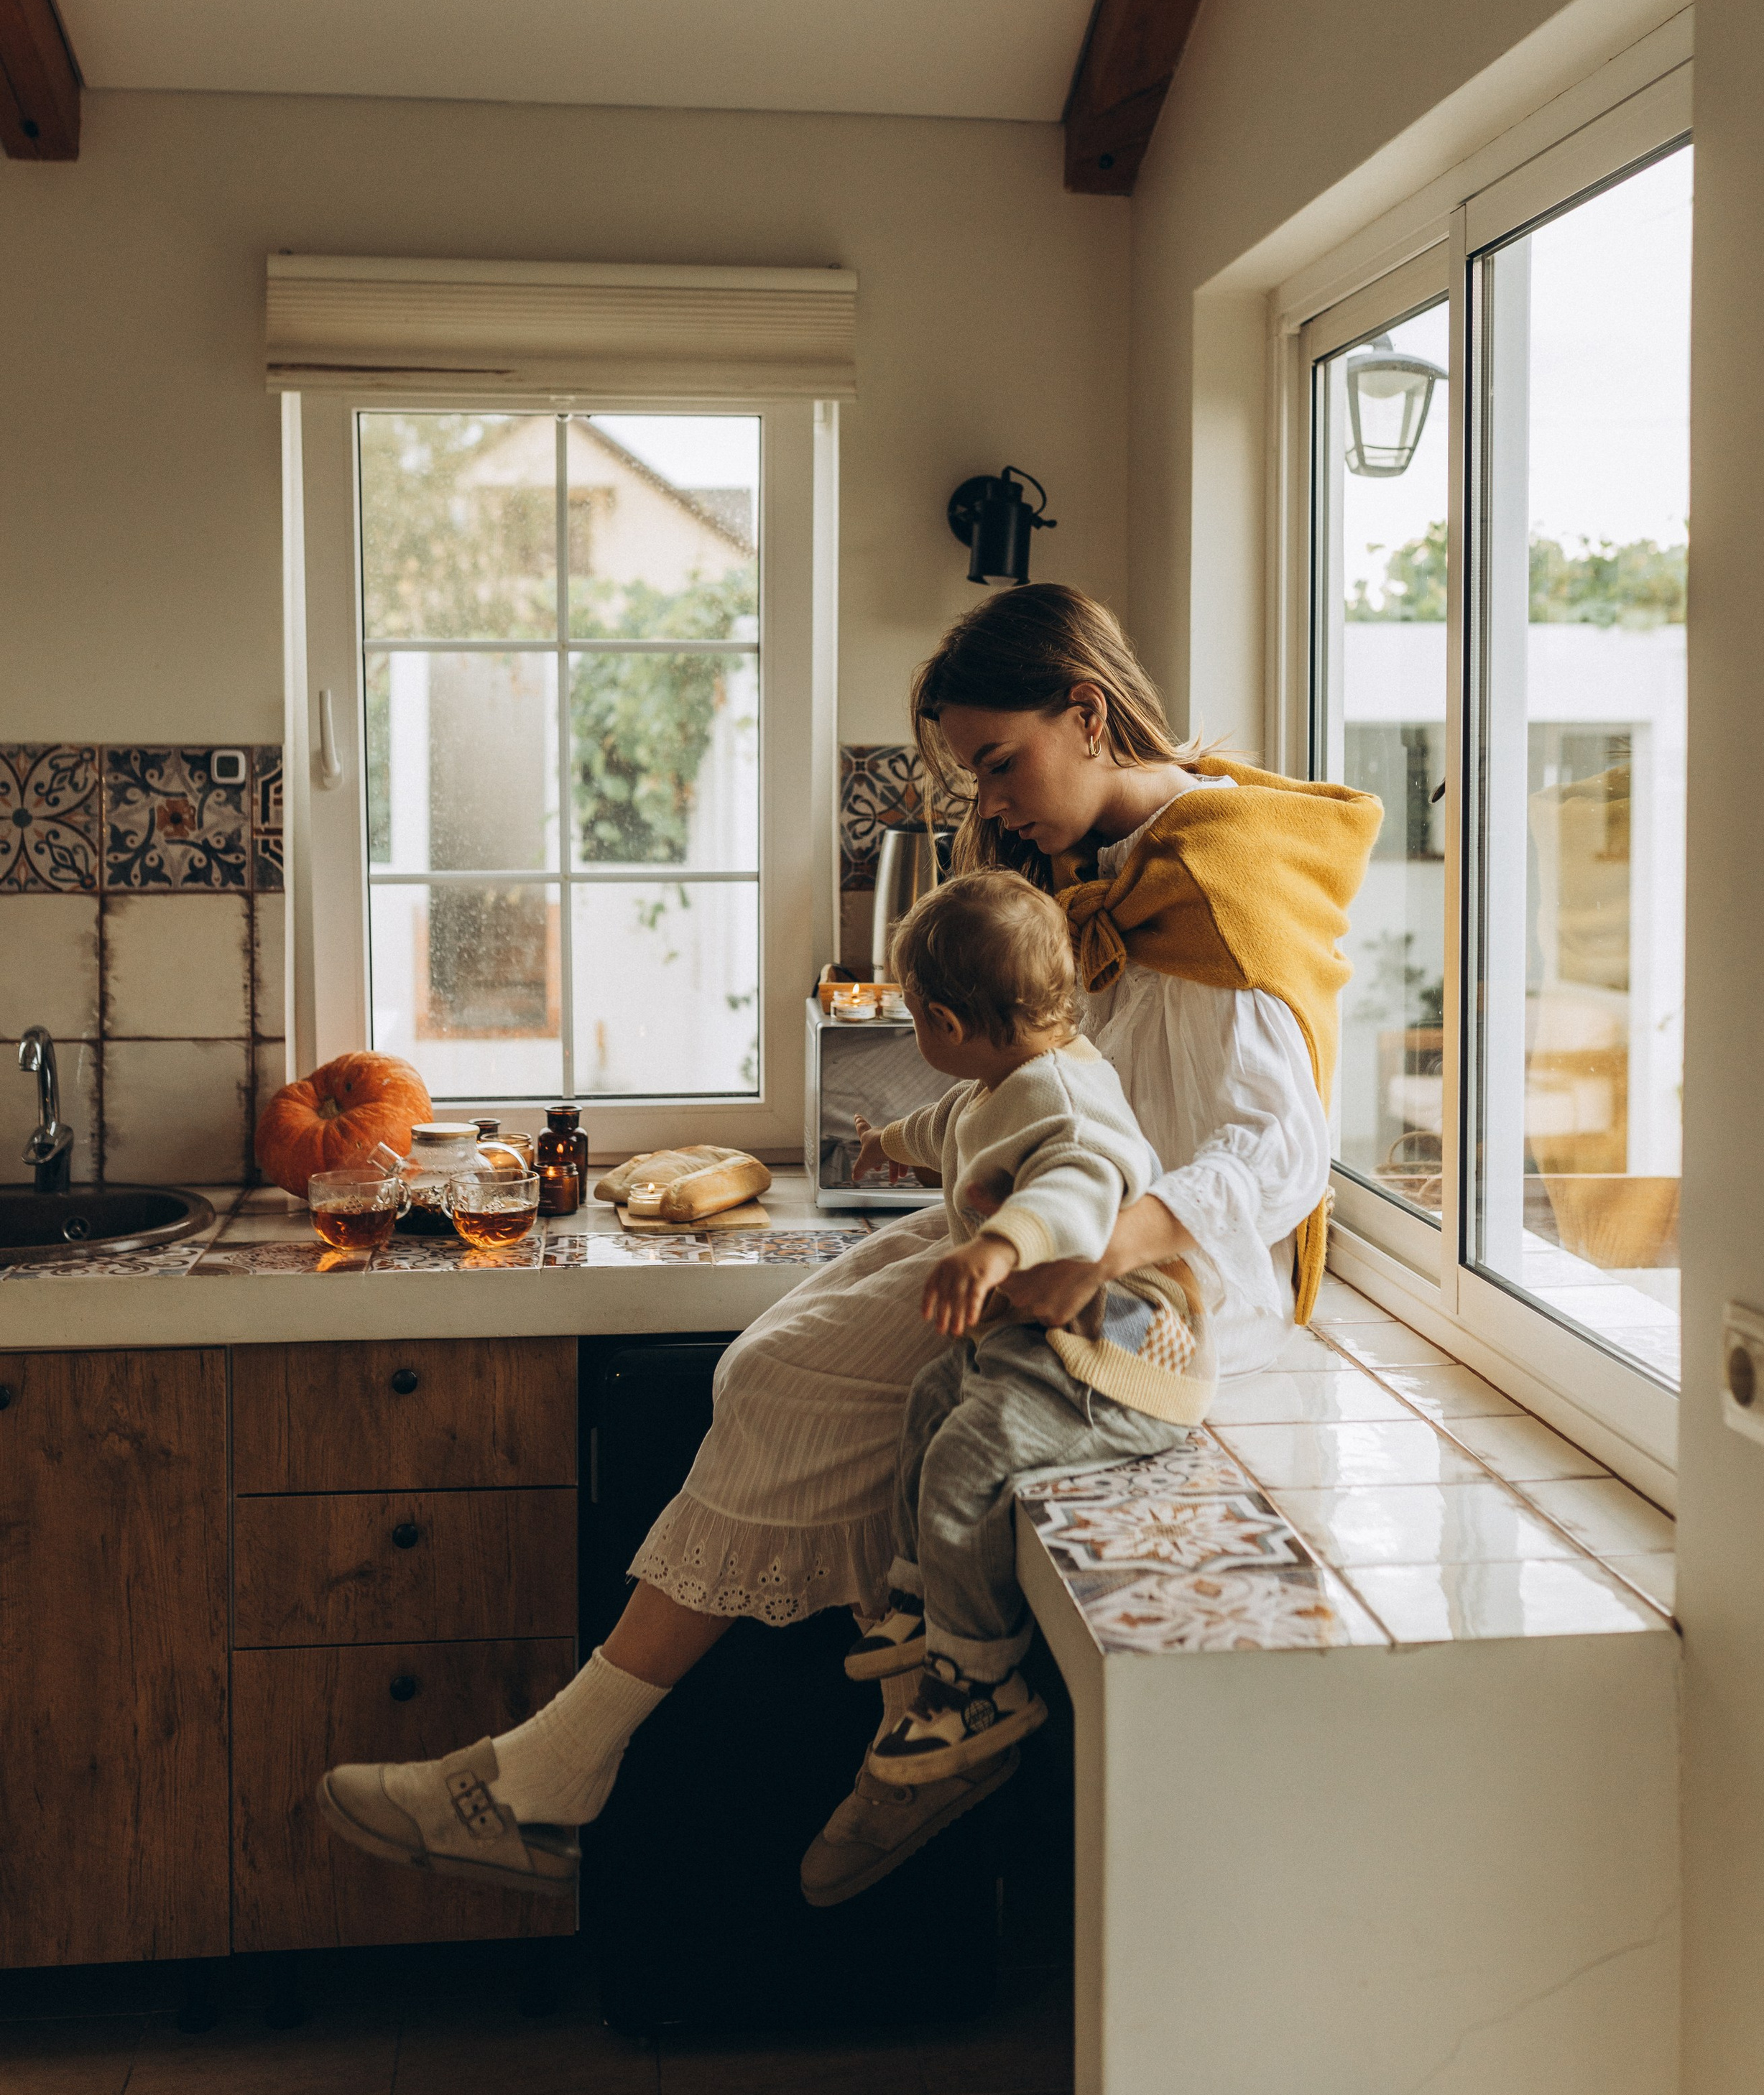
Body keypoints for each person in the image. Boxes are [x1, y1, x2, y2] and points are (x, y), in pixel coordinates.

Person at [317, 584, 1378, 1910]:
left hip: (1152, 1282)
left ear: (1087, 713)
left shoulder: (1218, 881)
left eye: (999, 762)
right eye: (974, 776)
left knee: (781, 1384)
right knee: (765, 1356)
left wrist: (1106, 1245)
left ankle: (582, 1773)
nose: (988, 803)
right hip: (1062, 1206)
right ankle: (784, 1712)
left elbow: (1282, 1156)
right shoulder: (1109, 872)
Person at [844, 868, 1204, 1785]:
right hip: (1042, 1343)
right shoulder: (998, 1083)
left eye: (913, 1017)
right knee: (932, 1400)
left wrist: (993, 1251)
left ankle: (977, 1682)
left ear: (943, 1025)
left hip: (1113, 1358)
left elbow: (1073, 1197)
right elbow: (945, 1127)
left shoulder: (1068, 1102)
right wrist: (884, 1142)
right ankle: (926, 1597)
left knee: (967, 1457)